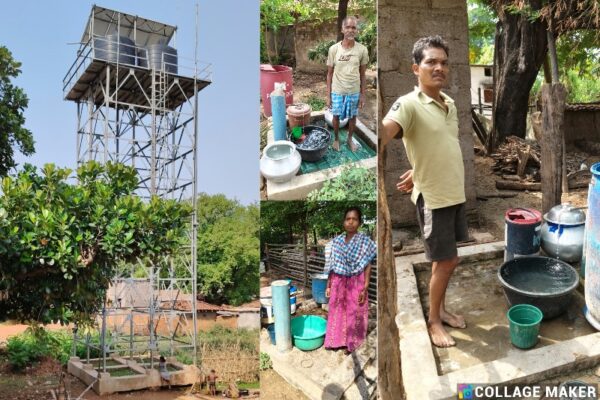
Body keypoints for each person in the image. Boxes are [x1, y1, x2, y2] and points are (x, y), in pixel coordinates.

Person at [381, 35, 469, 348]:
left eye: (444, 62)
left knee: (443, 261)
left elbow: (437, 147)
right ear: (415, 68)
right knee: (447, 262)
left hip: (454, 195)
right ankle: (433, 321)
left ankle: (441, 310)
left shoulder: (450, 104)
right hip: (434, 200)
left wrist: (416, 171)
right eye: (431, 61)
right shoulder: (408, 105)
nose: (439, 67)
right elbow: (386, 129)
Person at [324, 207, 376, 353]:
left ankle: (353, 343)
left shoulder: (365, 242)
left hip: (356, 281)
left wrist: (365, 287)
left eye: (354, 219)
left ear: (359, 222)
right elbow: (332, 265)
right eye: (348, 219)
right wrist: (328, 285)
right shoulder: (336, 242)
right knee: (337, 309)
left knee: (356, 311)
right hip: (338, 281)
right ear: (344, 222)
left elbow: (367, 266)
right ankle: (336, 342)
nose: (351, 222)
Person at [326, 16, 369, 152]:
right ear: (342, 29)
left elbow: (363, 74)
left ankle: (350, 139)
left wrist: (363, 94)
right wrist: (328, 96)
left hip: (354, 91)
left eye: (353, 27)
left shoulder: (362, 50)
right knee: (336, 116)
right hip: (337, 90)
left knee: (353, 117)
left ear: (357, 31)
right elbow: (329, 74)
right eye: (348, 27)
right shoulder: (333, 49)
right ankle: (337, 139)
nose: (350, 30)